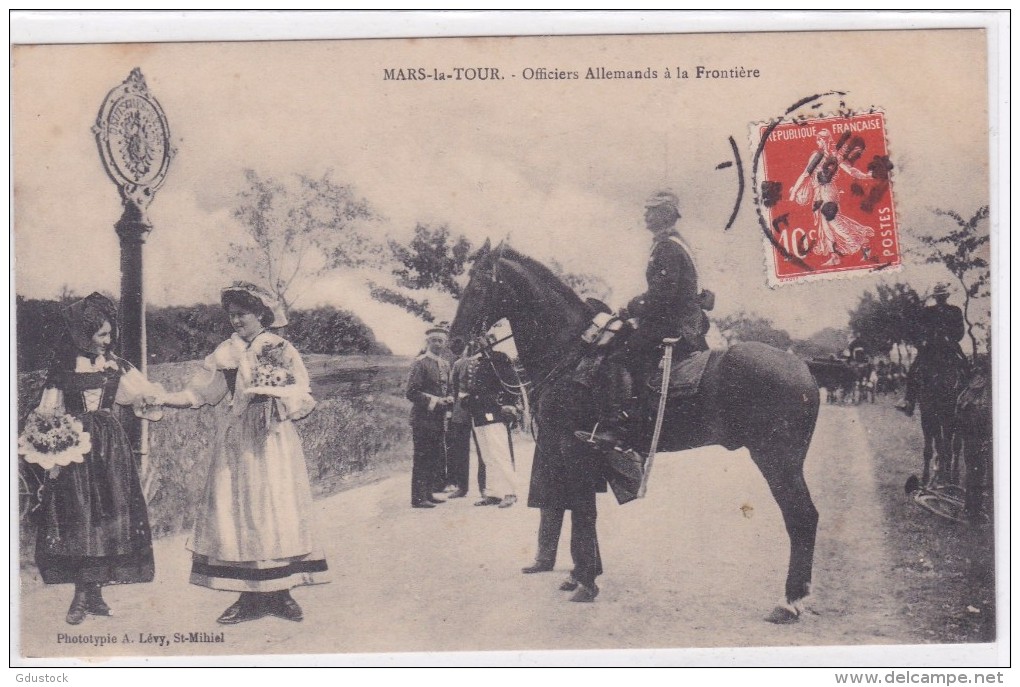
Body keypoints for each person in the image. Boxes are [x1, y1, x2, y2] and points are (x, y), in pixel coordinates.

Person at [158, 282, 328, 624]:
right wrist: (164, 398)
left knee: (275, 507)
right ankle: (249, 596)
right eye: (232, 315)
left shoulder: (280, 347)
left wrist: (278, 400)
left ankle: (281, 593)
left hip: (274, 436)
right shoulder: (226, 352)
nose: (236, 321)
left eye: (243, 314)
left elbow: (301, 391)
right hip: (239, 439)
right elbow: (203, 392)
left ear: (261, 314)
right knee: (240, 510)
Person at [24, 293, 163, 625]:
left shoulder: (115, 365)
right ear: (82, 335)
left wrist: (157, 399)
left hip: (109, 447)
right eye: (100, 334)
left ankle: (94, 595)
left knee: (107, 517)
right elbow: (49, 415)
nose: (107, 339)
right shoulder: (64, 370)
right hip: (75, 449)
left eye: (109, 333)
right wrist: (54, 458)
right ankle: (82, 595)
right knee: (81, 517)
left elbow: (138, 396)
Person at [579, 189, 710, 454]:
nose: (645, 214)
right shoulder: (677, 243)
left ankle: (616, 426)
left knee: (618, 355)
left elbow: (663, 294)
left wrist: (629, 308)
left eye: (651, 209)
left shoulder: (667, 247)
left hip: (672, 323)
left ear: (665, 214)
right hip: (683, 319)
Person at [788, 129, 875, 267]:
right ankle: (834, 256)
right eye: (818, 140)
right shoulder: (835, 156)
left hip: (825, 192)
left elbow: (806, 174)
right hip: (825, 192)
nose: (818, 142)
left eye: (819, 139)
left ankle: (863, 244)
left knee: (834, 222)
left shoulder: (819, 155)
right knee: (825, 226)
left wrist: (793, 193)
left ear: (824, 140)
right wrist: (866, 176)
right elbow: (851, 171)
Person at [458, 335, 520, 508]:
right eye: (477, 339)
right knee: (487, 456)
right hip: (477, 412)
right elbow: (465, 388)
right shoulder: (472, 362)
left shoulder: (499, 359)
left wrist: (509, 405)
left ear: (492, 340)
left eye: (484, 338)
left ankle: (510, 492)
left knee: (500, 453)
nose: (479, 342)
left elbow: (512, 383)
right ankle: (493, 493)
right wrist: (466, 402)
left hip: (495, 411)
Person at [896, 284, 968, 416]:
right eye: (938, 296)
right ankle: (908, 402)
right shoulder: (927, 311)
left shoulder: (955, 310)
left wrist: (950, 337)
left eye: (942, 296)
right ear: (935, 297)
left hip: (949, 347)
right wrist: (922, 341)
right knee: (913, 370)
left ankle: (967, 401)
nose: (940, 298)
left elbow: (960, 331)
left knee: (965, 366)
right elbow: (919, 329)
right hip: (929, 348)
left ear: (947, 296)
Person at [406, 323, 453, 508]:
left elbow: (448, 388)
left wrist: (449, 398)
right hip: (422, 419)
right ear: (427, 342)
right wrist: (435, 401)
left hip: (438, 419)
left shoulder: (445, 364)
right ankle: (418, 498)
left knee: (434, 457)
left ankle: (428, 493)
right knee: (422, 457)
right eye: (434, 341)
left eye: (441, 341)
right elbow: (411, 393)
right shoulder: (420, 363)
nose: (437, 344)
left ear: (445, 343)